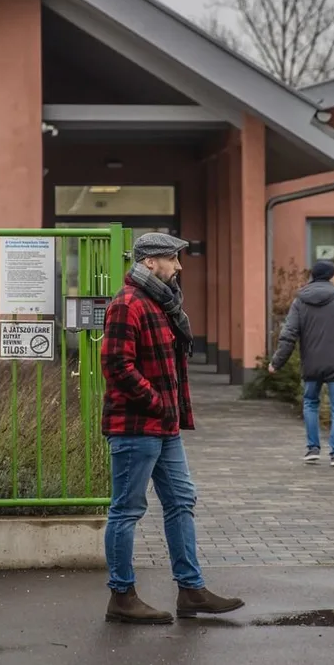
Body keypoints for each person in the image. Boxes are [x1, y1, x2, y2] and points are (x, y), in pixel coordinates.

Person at [99, 231, 244, 625]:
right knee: (126, 511)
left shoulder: (160, 303)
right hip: (136, 427)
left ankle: (191, 589)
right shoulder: (128, 303)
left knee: (181, 501)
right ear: (150, 262)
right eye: (172, 259)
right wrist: (157, 402)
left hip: (164, 427)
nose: (178, 267)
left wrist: (168, 411)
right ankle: (122, 595)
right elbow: (116, 365)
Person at [268, 260, 334, 467]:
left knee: (310, 403)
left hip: (311, 365)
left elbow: (288, 335)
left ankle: (312, 449)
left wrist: (276, 362)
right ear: (330, 277)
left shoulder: (300, 302)